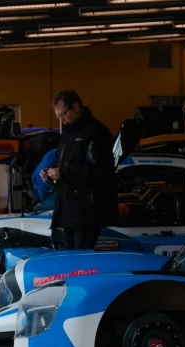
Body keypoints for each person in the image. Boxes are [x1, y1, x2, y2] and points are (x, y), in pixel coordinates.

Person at [42, 90, 115, 250]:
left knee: (81, 261)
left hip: (87, 212)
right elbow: (64, 163)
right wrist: (50, 172)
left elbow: (101, 169)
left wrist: (64, 172)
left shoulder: (96, 132)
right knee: (70, 259)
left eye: (63, 115)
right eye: (58, 117)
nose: (61, 121)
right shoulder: (69, 134)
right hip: (68, 210)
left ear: (76, 107)